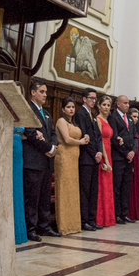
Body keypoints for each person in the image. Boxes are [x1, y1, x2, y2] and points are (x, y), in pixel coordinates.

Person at [22, 78, 59, 241]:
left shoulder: (47, 114)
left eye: (45, 92)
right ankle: (31, 228)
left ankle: (44, 226)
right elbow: (31, 134)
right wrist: (49, 149)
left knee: (44, 196)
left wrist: (54, 147)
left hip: (46, 161)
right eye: (42, 92)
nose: (45, 95)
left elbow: (53, 133)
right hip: (33, 160)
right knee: (32, 197)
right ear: (33, 92)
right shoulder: (28, 110)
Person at [54, 97, 86, 236]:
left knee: (73, 190)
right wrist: (81, 142)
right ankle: (64, 225)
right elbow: (67, 139)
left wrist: (85, 138)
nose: (71, 109)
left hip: (74, 158)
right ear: (63, 109)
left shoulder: (74, 123)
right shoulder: (61, 121)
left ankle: (74, 224)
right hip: (64, 156)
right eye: (68, 107)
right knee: (64, 190)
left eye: (73, 107)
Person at [74, 87, 104, 232]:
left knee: (93, 190)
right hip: (86, 157)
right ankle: (84, 220)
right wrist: (94, 153)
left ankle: (92, 219)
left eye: (95, 98)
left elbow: (98, 136)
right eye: (91, 98)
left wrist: (100, 151)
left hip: (95, 157)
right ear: (84, 99)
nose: (93, 101)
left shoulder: (93, 115)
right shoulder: (80, 114)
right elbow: (84, 136)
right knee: (85, 191)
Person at [109, 95, 136, 224]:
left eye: (128, 103)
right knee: (117, 186)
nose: (127, 105)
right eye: (124, 103)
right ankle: (117, 214)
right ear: (118, 104)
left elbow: (135, 137)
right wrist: (126, 153)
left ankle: (125, 213)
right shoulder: (113, 117)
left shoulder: (129, 118)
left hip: (129, 158)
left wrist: (133, 151)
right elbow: (115, 138)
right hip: (119, 157)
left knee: (126, 186)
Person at [95, 95, 116, 228]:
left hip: (109, 151)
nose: (106, 107)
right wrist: (106, 159)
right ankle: (100, 218)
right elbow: (100, 140)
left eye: (108, 105)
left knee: (108, 185)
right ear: (99, 106)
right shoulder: (98, 120)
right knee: (101, 185)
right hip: (103, 154)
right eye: (104, 105)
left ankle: (108, 216)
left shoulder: (107, 120)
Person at [128, 106, 139, 221]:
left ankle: (136, 211)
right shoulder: (128, 127)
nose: (136, 119)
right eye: (134, 116)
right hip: (132, 155)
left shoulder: (135, 128)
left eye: (137, 117)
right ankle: (129, 211)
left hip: (137, 156)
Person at [12, 122, 27, 245]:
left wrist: (37, 135)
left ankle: (19, 231)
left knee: (18, 191)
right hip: (7, 150)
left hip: (18, 152)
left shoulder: (20, 116)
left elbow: (24, 134)